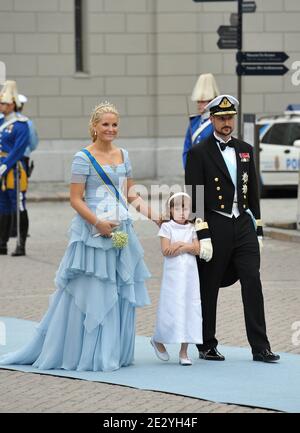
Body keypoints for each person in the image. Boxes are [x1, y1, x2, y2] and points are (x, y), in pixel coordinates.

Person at [0, 101, 161, 372]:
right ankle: (87, 353)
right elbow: (75, 199)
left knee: (119, 289)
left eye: (114, 124)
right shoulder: (82, 158)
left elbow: (130, 194)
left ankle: (113, 351)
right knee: (93, 290)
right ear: (94, 127)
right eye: (105, 124)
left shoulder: (124, 154)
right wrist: (98, 223)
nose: (111, 129)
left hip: (121, 229)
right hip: (92, 233)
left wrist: (154, 215)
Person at [185, 94, 280, 363]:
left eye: (230, 118)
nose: (227, 123)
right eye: (222, 118)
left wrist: (258, 228)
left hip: (242, 223)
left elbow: (254, 194)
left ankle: (260, 347)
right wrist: (202, 233)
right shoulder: (198, 153)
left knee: (252, 281)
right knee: (209, 284)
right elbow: (195, 195)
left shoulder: (246, 149)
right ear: (212, 119)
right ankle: (206, 344)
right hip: (216, 222)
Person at [150, 192, 202, 366]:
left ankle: (184, 351)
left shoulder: (192, 228)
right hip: (173, 277)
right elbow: (166, 251)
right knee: (171, 308)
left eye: (185, 209)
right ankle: (158, 339)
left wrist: (181, 245)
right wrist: (186, 247)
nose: (181, 212)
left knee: (189, 308)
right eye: (177, 208)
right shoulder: (167, 227)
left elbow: (197, 249)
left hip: (190, 277)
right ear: (171, 210)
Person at [0, 80, 30, 256]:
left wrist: (4, 166)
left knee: (18, 205)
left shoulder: (21, 124)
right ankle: (2, 243)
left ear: (12, 105)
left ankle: (21, 244)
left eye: (3, 103)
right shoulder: (1, 122)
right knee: (2, 205)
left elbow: (18, 150)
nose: (1, 106)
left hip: (14, 170)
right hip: (2, 168)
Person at [9, 94, 39, 239]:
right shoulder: (27, 123)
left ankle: (7, 230)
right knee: (20, 195)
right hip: (22, 160)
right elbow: (33, 143)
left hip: (4, 160)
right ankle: (18, 229)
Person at [182, 73, 219, 168]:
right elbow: (187, 149)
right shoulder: (194, 122)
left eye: (203, 101)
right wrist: (188, 169)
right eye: (198, 101)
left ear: (211, 102)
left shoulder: (216, 122)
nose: (199, 104)